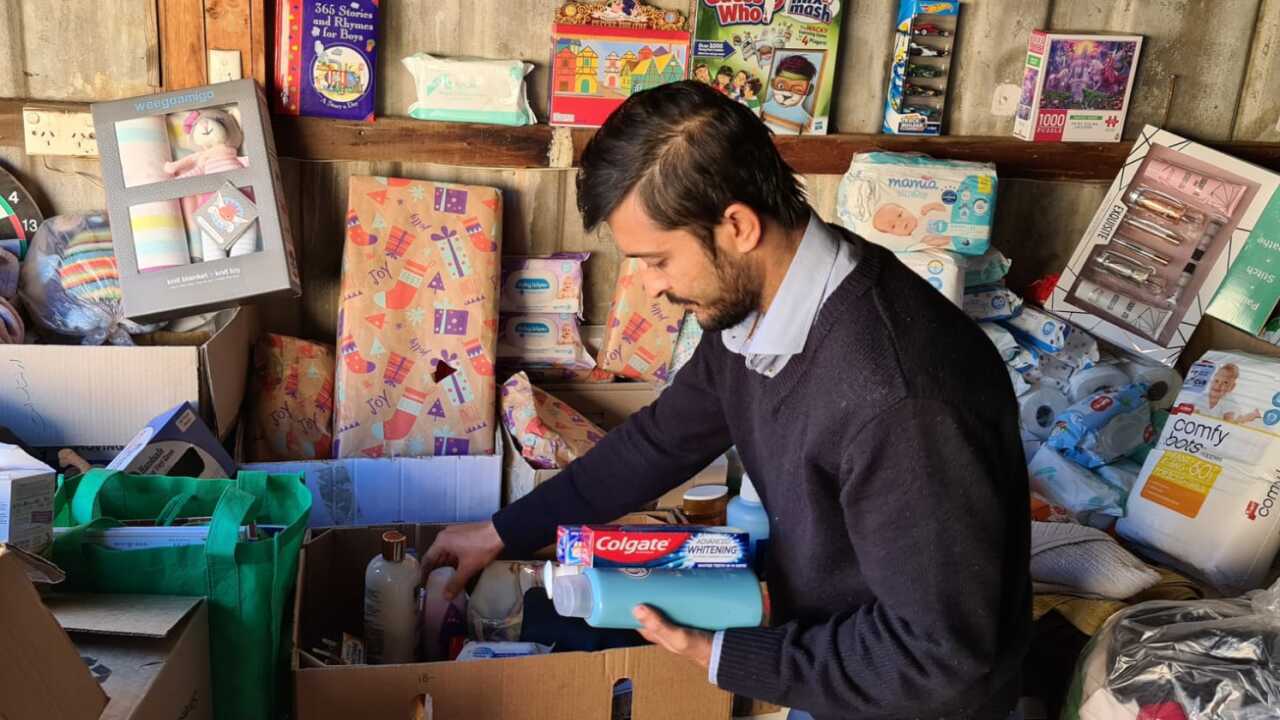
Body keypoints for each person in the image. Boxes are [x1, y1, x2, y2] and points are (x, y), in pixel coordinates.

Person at [425, 81, 1031, 720]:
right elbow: (661, 440)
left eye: (657, 260)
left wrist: (722, 655)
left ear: (737, 225)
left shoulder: (900, 397)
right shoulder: (757, 316)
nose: (650, 287)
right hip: (834, 666)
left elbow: (941, 663)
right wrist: (503, 531)